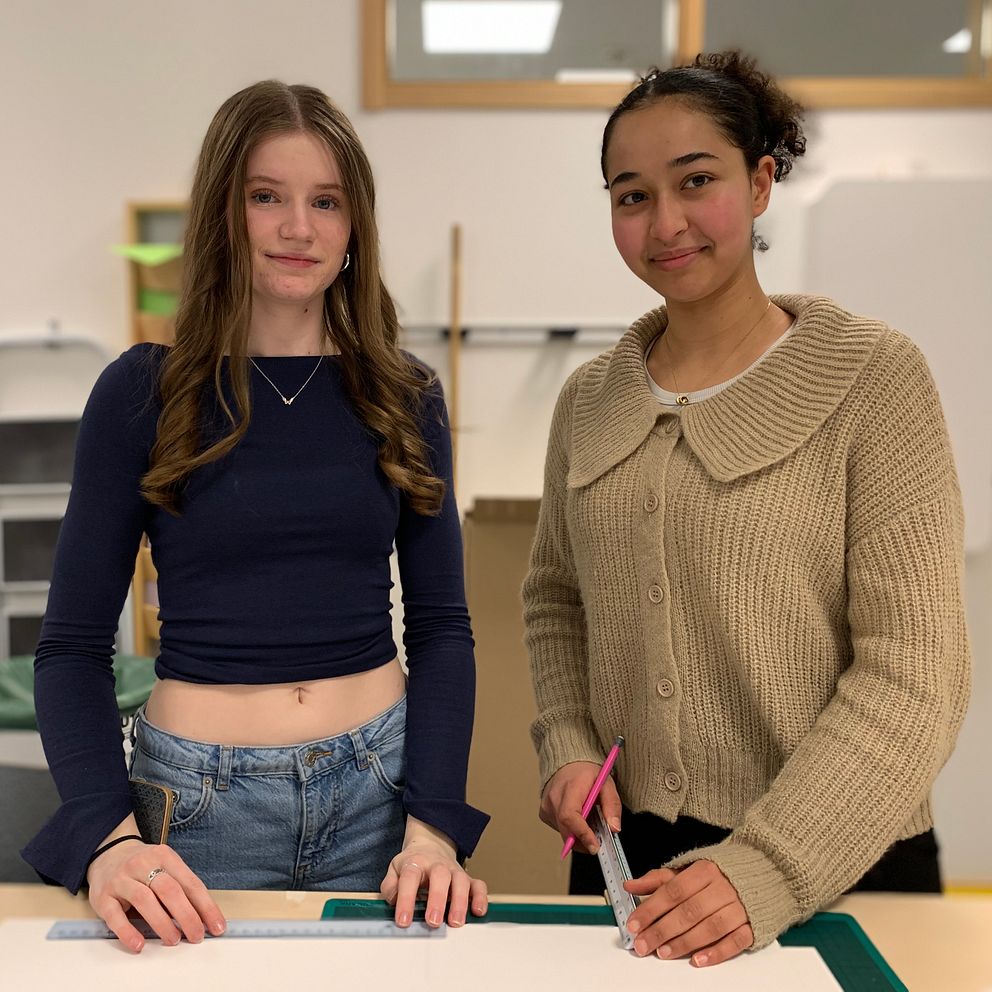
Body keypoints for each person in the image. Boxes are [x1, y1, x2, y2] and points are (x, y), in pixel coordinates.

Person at [524, 51, 970, 968]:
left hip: (838, 861)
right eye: (632, 195)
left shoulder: (875, 380)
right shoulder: (589, 401)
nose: (666, 223)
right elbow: (555, 600)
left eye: (697, 181)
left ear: (761, 182)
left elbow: (916, 673)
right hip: (629, 864)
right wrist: (567, 743)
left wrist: (766, 869)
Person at [23, 80, 489, 952]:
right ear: (221, 215)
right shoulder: (142, 392)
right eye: (266, 197)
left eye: (327, 202)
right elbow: (72, 648)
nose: (298, 228)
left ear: (355, 227)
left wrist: (432, 825)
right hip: (200, 810)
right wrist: (109, 841)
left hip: (380, 796)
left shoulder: (404, 395)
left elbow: (443, 630)